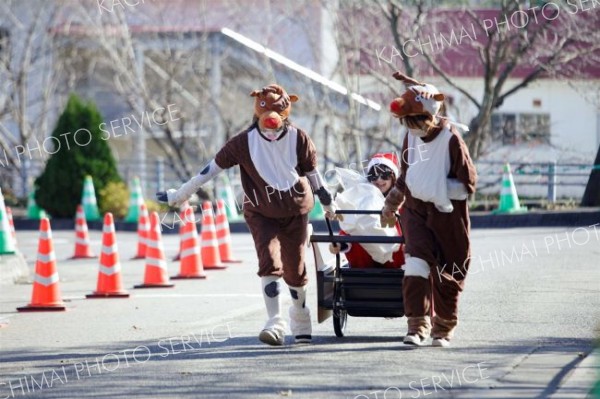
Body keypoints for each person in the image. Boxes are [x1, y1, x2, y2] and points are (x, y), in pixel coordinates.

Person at [157, 84, 335, 346]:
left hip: (295, 210)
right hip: (261, 211)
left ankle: (300, 317)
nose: (271, 121)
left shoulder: (299, 138)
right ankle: (275, 322)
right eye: (266, 113)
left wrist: (328, 201)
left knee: (296, 269)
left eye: (277, 113)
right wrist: (180, 195)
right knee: (269, 262)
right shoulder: (243, 142)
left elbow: (312, 173)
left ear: (286, 112)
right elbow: (210, 170)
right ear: (257, 112)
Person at [381, 72, 477, 347]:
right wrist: (391, 204)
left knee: (449, 273)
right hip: (416, 212)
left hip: (448, 216)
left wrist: (437, 189)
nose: (411, 129)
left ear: (429, 117)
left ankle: (444, 327)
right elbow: (405, 175)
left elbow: (468, 183)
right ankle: (416, 325)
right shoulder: (410, 137)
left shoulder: (450, 139)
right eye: (406, 124)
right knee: (415, 267)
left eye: (415, 123)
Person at [328, 153, 405, 269]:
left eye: (385, 175)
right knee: (358, 230)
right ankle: (362, 273)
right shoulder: (363, 199)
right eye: (373, 175)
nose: (379, 180)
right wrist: (340, 243)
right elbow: (351, 225)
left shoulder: (402, 202)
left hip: (396, 259)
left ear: (393, 177)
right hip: (365, 262)